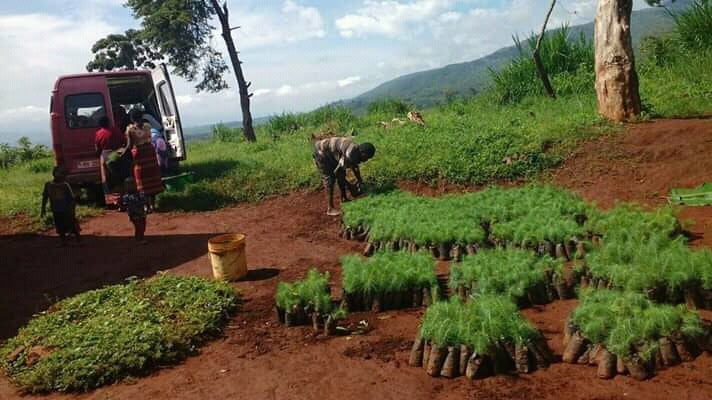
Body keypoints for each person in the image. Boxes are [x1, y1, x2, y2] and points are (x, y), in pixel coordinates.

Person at [313, 136, 375, 216]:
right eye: (367, 158)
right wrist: (351, 187)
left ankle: (344, 198)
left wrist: (360, 181)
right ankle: (330, 208)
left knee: (342, 173)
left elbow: (355, 167)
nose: (366, 160)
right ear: (363, 153)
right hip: (321, 152)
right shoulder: (350, 154)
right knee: (329, 179)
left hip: (330, 153)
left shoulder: (356, 151)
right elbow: (337, 173)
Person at [126, 109, 164, 212]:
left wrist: (122, 152)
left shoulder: (130, 129)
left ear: (131, 118)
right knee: (152, 177)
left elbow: (129, 145)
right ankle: (153, 205)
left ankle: (146, 206)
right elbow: (150, 138)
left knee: (142, 182)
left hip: (139, 156)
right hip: (150, 153)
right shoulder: (147, 126)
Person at [41, 167, 81, 246]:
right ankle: (63, 241)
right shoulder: (48, 185)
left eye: (61, 173)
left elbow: (71, 199)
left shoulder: (65, 185)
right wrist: (43, 209)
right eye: (58, 172)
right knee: (59, 225)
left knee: (71, 224)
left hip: (66, 208)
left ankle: (79, 240)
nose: (59, 175)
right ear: (54, 173)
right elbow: (45, 197)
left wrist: (72, 210)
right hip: (56, 208)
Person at [95, 116, 127, 203]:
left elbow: (97, 149)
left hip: (106, 157)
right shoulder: (115, 130)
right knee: (120, 179)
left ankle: (112, 199)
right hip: (117, 155)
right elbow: (124, 141)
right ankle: (123, 198)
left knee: (107, 178)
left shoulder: (99, 133)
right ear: (108, 123)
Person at [121, 178, 149, 244]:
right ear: (125, 187)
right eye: (128, 185)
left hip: (142, 212)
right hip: (133, 213)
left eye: (132, 184)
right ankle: (140, 239)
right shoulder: (126, 196)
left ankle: (138, 236)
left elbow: (146, 201)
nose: (130, 187)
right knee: (138, 225)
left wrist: (148, 207)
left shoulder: (140, 193)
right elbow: (124, 205)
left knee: (143, 225)